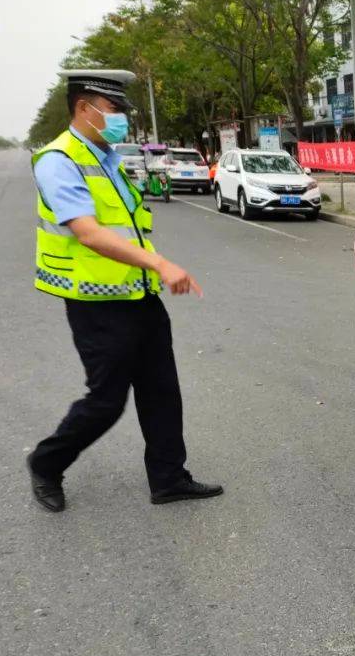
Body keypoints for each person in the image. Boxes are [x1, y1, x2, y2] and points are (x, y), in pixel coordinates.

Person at [27, 69, 222, 512]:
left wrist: (148, 273)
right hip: (96, 302)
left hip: (138, 296)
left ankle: (169, 477)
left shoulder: (106, 157)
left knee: (162, 390)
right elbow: (90, 233)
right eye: (114, 110)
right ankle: (45, 462)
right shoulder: (59, 160)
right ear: (84, 107)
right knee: (106, 401)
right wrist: (160, 263)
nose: (121, 120)